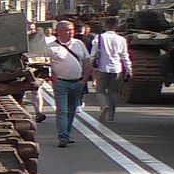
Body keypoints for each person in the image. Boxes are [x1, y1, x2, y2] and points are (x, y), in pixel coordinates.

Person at [47, 19, 92, 148]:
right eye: (67, 30)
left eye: (71, 30)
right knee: (62, 110)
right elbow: (45, 63)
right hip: (61, 82)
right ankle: (62, 137)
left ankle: (66, 133)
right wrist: (53, 77)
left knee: (71, 110)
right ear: (58, 32)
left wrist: (84, 79)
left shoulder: (79, 44)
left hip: (77, 82)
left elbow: (86, 61)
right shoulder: (51, 47)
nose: (70, 32)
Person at [89, 16, 132, 123]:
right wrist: (128, 69)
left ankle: (103, 106)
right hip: (116, 68)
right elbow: (125, 56)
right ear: (116, 27)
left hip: (102, 67)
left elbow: (93, 54)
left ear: (105, 25)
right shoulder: (121, 39)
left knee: (100, 90)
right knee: (113, 92)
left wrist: (89, 65)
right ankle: (111, 116)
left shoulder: (99, 38)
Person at [26, 22, 47, 122]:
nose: (31, 30)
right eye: (29, 28)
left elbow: (44, 52)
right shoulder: (21, 40)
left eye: (33, 28)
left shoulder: (39, 40)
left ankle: (38, 112)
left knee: (36, 91)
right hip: (22, 68)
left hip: (36, 67)